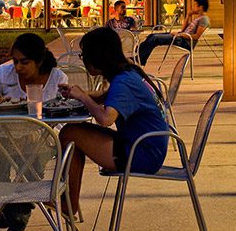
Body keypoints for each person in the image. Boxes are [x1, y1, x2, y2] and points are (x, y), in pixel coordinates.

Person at [0, 33, 68, 231]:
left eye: (24, 62)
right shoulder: (5, 74)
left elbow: (63, 113)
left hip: (41, 135)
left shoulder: (57, 78)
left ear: (39, 61)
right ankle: (7, 209)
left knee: (30, 165)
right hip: (4, 133)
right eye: (15, 61)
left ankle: (16, 216)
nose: (18, 67)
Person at [59, 28, 169, 215]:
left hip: (142, 153)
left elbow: (105, 119)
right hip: (146, 146)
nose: (83, 60)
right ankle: (68, 202)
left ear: (97, 58)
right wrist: (77, 94)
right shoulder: (129, 72)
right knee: (73, 133)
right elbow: (105, 97)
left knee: (70, 132)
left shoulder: (123, 82)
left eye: (84, 55)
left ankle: (67, 202)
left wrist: (83, 97)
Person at [137, 0, 210, 65]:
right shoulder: (197, 18)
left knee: (155, 38)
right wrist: (188, 16)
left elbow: (196, 36)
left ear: (201, 7)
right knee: (151, 35)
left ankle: (139, 58)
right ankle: (139, 56)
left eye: (195, 5)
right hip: (180, 37)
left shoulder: (204, 19)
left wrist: (179, 35)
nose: (193, 7)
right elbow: (183, 29)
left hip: (185, 42)